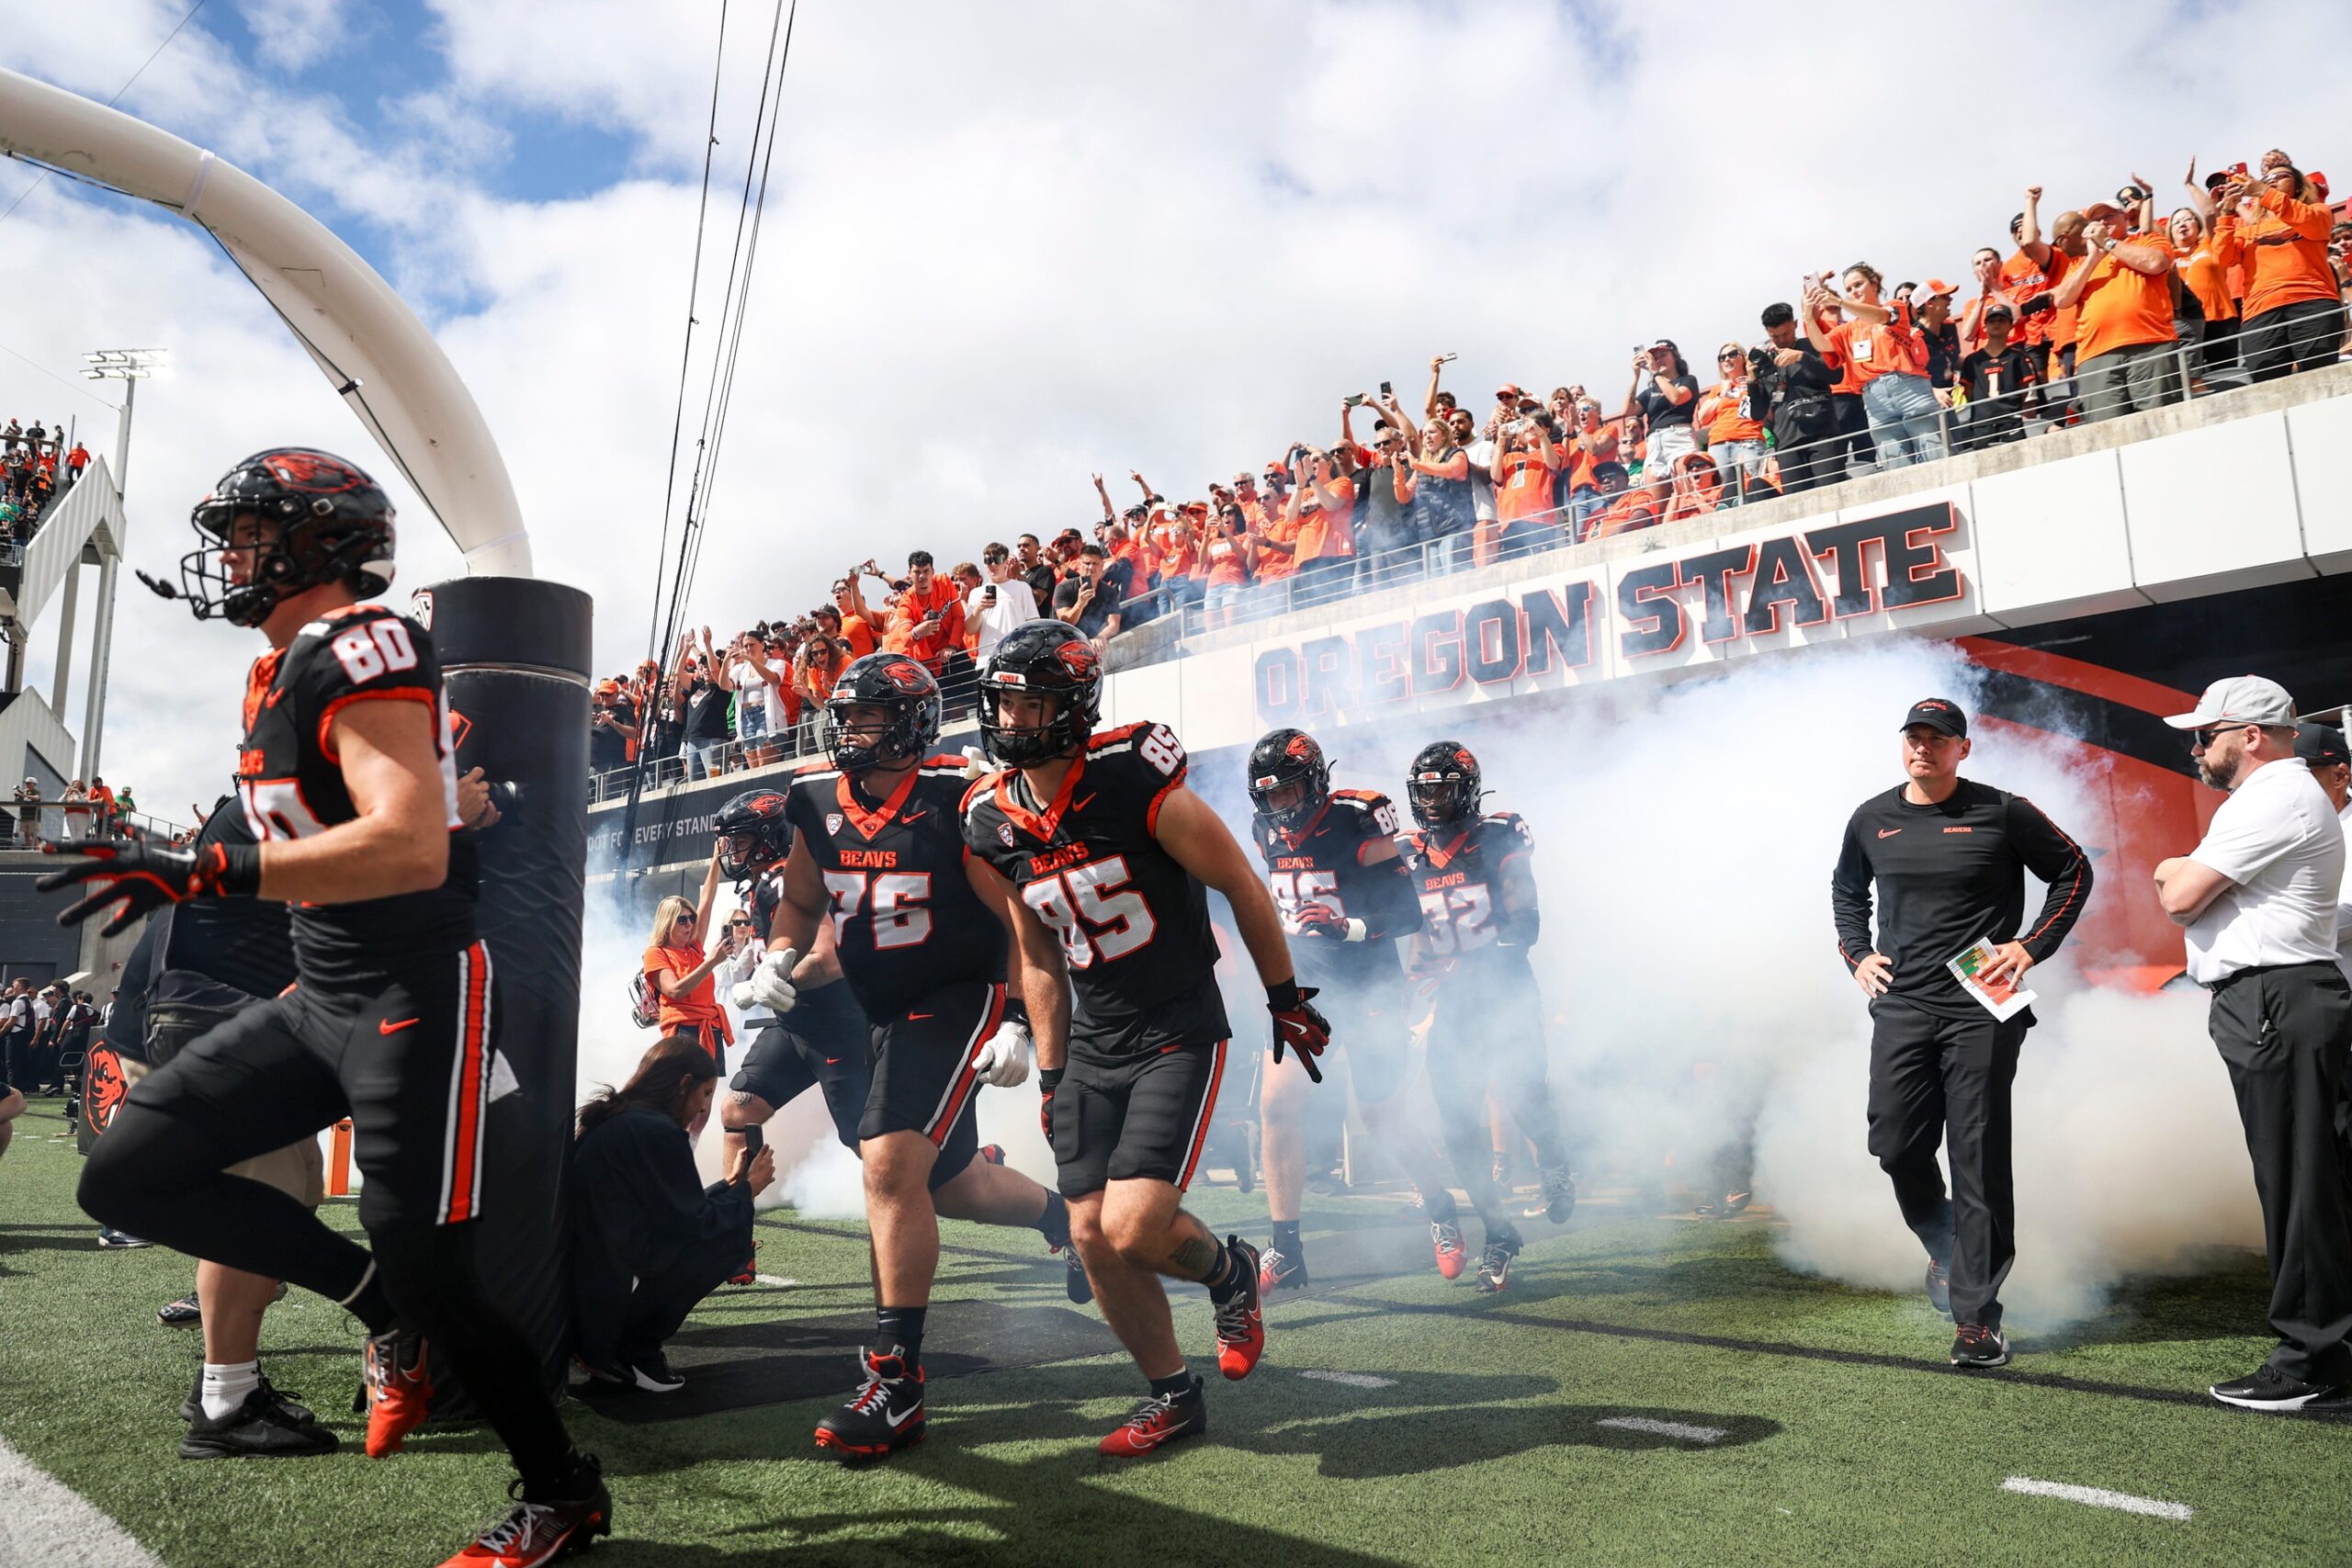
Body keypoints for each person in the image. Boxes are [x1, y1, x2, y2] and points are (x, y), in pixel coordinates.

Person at [52, 446, 608, 1564]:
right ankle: (378, 1314)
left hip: (417, 992)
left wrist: (199, 872)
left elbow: (402, 845)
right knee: (128, 1171)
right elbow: (391, 816)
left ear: (322, 544)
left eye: (255, 537)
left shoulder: (368, 637)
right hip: (322, 988)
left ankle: (562, 1490)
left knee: (429, 1259)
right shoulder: (282, 670)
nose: (232, 557)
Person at [962, 621, 1329, 1456]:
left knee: (1131, 1225)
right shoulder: (990, 816)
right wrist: (1051, 1068)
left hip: (1175, 1024)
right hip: (1094, 1036)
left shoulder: (1133, 777)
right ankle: (1173, 1394)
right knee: (1088, 1231)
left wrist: (1284, 996)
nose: (1010, 716)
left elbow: (1241, 883)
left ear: (1070, 704)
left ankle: (1232, 1272)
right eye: (1004, 700)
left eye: (1027, 700)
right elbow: (1038, 953)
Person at [752, 650, 1077, 1460]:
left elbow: (1018, 922)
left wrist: (1015, 1022)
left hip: (953, 996)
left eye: (868, 716)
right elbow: (799, 902)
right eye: (848, 716)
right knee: (943, 1180)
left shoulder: (954, 799)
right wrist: (776, 955)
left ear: (910, 725)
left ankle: (898, 1379)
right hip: (875, 1007)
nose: (851, 730)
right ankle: (1058, 1217)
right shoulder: (816, 800)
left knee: (889, 1164)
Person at [1831, 698, 2093, 1371]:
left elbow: (2073, 870)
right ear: (1903, 746)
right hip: (1904, 998)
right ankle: (1946, 1243)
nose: (1924, 748)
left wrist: (2032, 946)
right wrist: (1858, 954)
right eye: (1914, 737)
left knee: (1976, 1150)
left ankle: (1978, 1319)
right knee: (1893, 1141)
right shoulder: (1871, 817)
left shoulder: (2003, 810)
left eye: (1938, 739)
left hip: (1986, 995)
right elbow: (1845, 891)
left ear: (1962, 749)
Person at [2153, 677, 2352, 1411]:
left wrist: (2174, 867)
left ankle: (2311, 1360)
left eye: (2206, 734)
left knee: (2298, 1182)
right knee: (2310, 1178)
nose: (2197, 747)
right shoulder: (2286, 796)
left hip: (2276, 997)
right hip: (2281, 998)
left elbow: (2178, 894)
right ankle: (2323, 1348)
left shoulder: (2270, 796)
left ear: (2252, 735)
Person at [1244, 728, 1461, 1290]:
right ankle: (1286, 1248)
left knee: (1382, 1118)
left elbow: (1410, 916)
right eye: (1270, 796)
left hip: (1370, 988)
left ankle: (1440, 1206)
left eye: (1290, 793)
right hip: (1310, 991)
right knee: (1276, 1105)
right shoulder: (1262, 829)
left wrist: (1348, 927)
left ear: (1315, 782)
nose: (1281, 808)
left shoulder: (1357, 822)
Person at [1399, 741, 1575, 1295]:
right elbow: (1417, 931)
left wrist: (1472, 973)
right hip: (1455, 1005)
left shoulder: (1499, 834)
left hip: (1506, 992)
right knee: (1457, 1126)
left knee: (1525, 1097)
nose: (1432, 802)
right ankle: (1499, 1232)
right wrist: (1421, 986)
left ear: (1469, 790)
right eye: (1424, 792)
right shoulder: (1408, 850)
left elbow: (1525, 924)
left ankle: (1554, 1158)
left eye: (1443, 789)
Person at [707, 787, 872, 1290]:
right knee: (738, 1109)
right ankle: (736, 1244)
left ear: (767, 838)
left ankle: (977, 1165)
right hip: (795, 1025)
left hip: (835, 1028)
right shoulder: (763, 885)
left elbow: (828, 958)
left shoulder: (785, 882)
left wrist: (777, 980)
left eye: (738, 841)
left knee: (875, 1149)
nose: (731, 852)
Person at [571, 1037, 772, 1393]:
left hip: (586, 1293)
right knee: (729, 1236)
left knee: (723, 1217)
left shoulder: (621, 1119)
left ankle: (606, 1346)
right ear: (684, 1084)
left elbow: (669, 1208)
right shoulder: (658, 1132)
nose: (703, 1107)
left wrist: (730, 1185)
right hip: (614, 1298)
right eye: (705, 1094)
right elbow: (693, 1224)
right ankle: (634, 1348)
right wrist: (747, 1191)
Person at [2051, 202, 2183, 423]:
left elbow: (2156, 262)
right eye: (2097, 219)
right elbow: (2062, 299)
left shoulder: (2148, 240)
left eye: (2109, 216)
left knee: (2160, 424)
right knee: (2107, 434)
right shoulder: (2081, 263)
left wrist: (2109, 243)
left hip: (2150, 344)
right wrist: (2094, 257)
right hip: (2095, 354)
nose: (2104, 222)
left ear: (2124, 218)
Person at [2214, 164, 2346, 381]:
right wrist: (2226, 213)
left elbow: (2309, 223)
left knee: (2320, 382)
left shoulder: (2318, 210)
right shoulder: (2248, 228)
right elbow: (2223, 258)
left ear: (2298, 184)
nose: (2271, 180)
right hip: (2260, 311)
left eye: (2280, 176)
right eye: (2267, 178)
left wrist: (2264, 193)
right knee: (2267, 387)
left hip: (2312, 302)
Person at [1805, 265, 1944, 469]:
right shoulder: (1848, 329)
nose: (1854, 291)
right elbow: (1822, 344)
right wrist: (1808, 315)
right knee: (1895, 464)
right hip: (1874, 400)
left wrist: (1839, 301)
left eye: (1858, 284)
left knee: (1934, 455)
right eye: (1849, 289)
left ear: (1874, 284)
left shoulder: (1895, 306)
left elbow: (1880, 317)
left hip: (1909, 389)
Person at [642, 849, 739, 1072]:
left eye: (691, 918)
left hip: (710, 1027)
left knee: (706, 1092)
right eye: (682, 919)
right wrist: (711, 963)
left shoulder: (693, 946)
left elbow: (707, 899)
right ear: (667, 923)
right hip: (682, 1031)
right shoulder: (656, 953)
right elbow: (674, 991)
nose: (689, 924)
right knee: (684, 1094)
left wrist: (716, 858)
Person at [1749, 302, 1842, 495]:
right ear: (1767, 333)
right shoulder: (1766, 360)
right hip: (1786, 441)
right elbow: (1758, 413)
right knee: (1797, 502)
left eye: (1786, 334)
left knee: (1831, 494)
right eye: (1775, 336)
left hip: (1821, 433)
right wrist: (1752, 382)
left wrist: (1802, 357)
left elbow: (1836, 375)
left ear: (1796, 324)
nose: (1782, 340)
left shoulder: (1812, 345)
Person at [2290, 721, 2352, 986]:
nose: (2289, 786)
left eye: (2303, 774)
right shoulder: (2284, 828)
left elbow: (2347, 912)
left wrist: (2270, 934)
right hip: (2305, 1000)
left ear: (2339, 776)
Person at [1954, 302, 2039, 450]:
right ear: (1985, 326)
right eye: (1992, 320)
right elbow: (1968, 391)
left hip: (2011, 419)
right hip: (1982, 422)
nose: (1997, 324)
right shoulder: (1973, 360)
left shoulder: (2017, 357)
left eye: (2002, 320)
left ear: (2010, 325)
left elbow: (2024, 389)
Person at [967, 543, 1039, 666]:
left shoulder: (1022, 588)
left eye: (997, 560)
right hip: (987, 660)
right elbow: (970, 630)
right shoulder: (976, 593)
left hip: (1017, 657)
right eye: (988, 561)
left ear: (1006, 562)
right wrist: (978, 609)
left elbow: (1033, 624)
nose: (993, 565)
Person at [589, 679, 639, 776]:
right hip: (592, 765)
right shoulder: (599, 710)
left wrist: (613, 723)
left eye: (608, 694)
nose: (604, 697)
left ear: (616, 694)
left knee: (610, 791)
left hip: (610, 764)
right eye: (602, 694)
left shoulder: (624, 710)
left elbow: (634, 734)